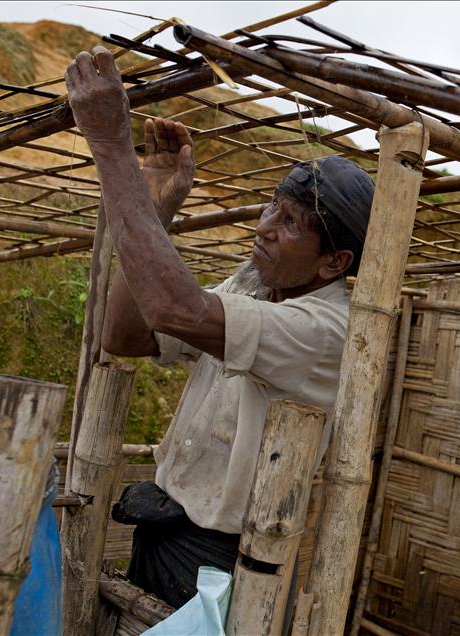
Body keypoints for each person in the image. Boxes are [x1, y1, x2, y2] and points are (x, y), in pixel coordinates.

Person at [65, 46, 375, 608]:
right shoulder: (256, 285)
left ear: (334, 263)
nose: (266, 228)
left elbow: (172, 308)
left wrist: (110, 145)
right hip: (169, 528)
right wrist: (157, 205)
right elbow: (127, 337)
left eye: (291, 225)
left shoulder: (327, 329)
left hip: (227, 569)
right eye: (271, 209)